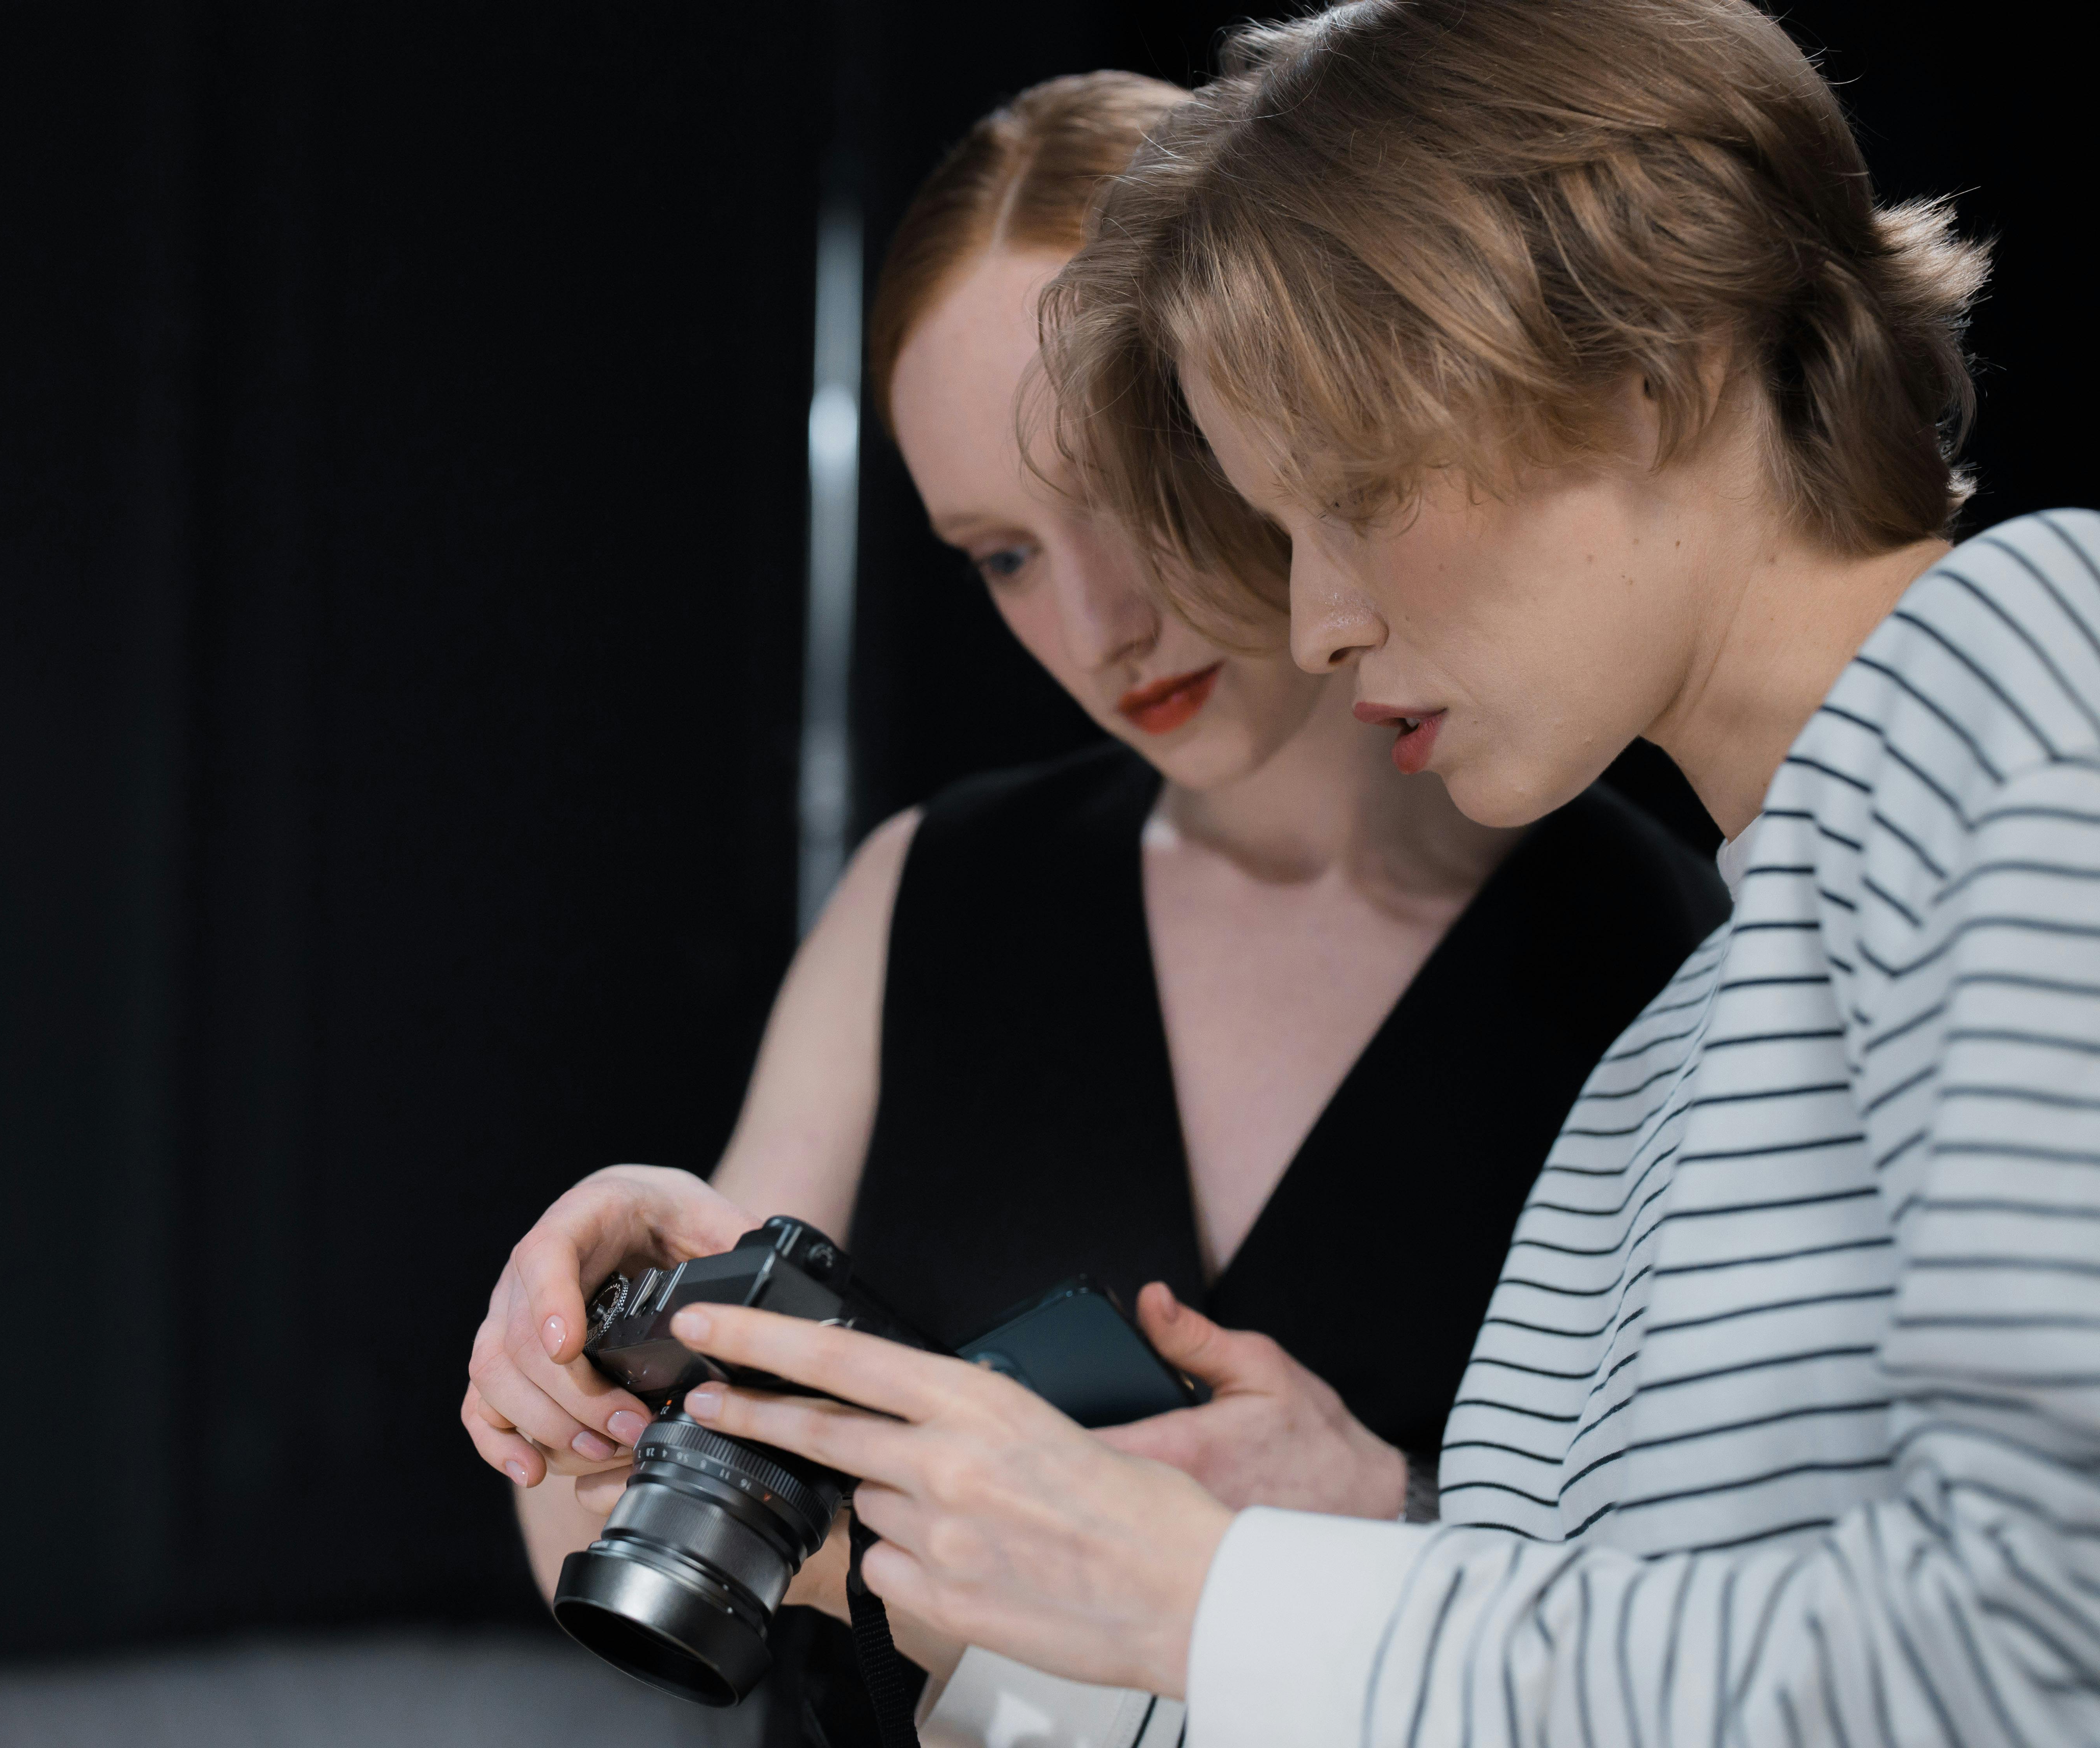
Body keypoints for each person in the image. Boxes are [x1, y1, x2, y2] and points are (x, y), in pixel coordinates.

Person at [644, 1, 2100, 1743]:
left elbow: (2044, 1651)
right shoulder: (1688, 1035)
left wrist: (1217, 1591)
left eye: (1352, 495)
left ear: (1654, 370)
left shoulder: (2030, 668)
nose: (1317, 617)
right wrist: (1021, 1555)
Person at [458, 70, 1725, 1744]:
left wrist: (1407, 1532)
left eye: (1138, 481)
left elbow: (1753, 1642)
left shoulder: (1667, 951)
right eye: (1000, 553)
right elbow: (626, 1543)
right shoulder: (934, 888)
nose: (1101, 621)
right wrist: (581, 1369)